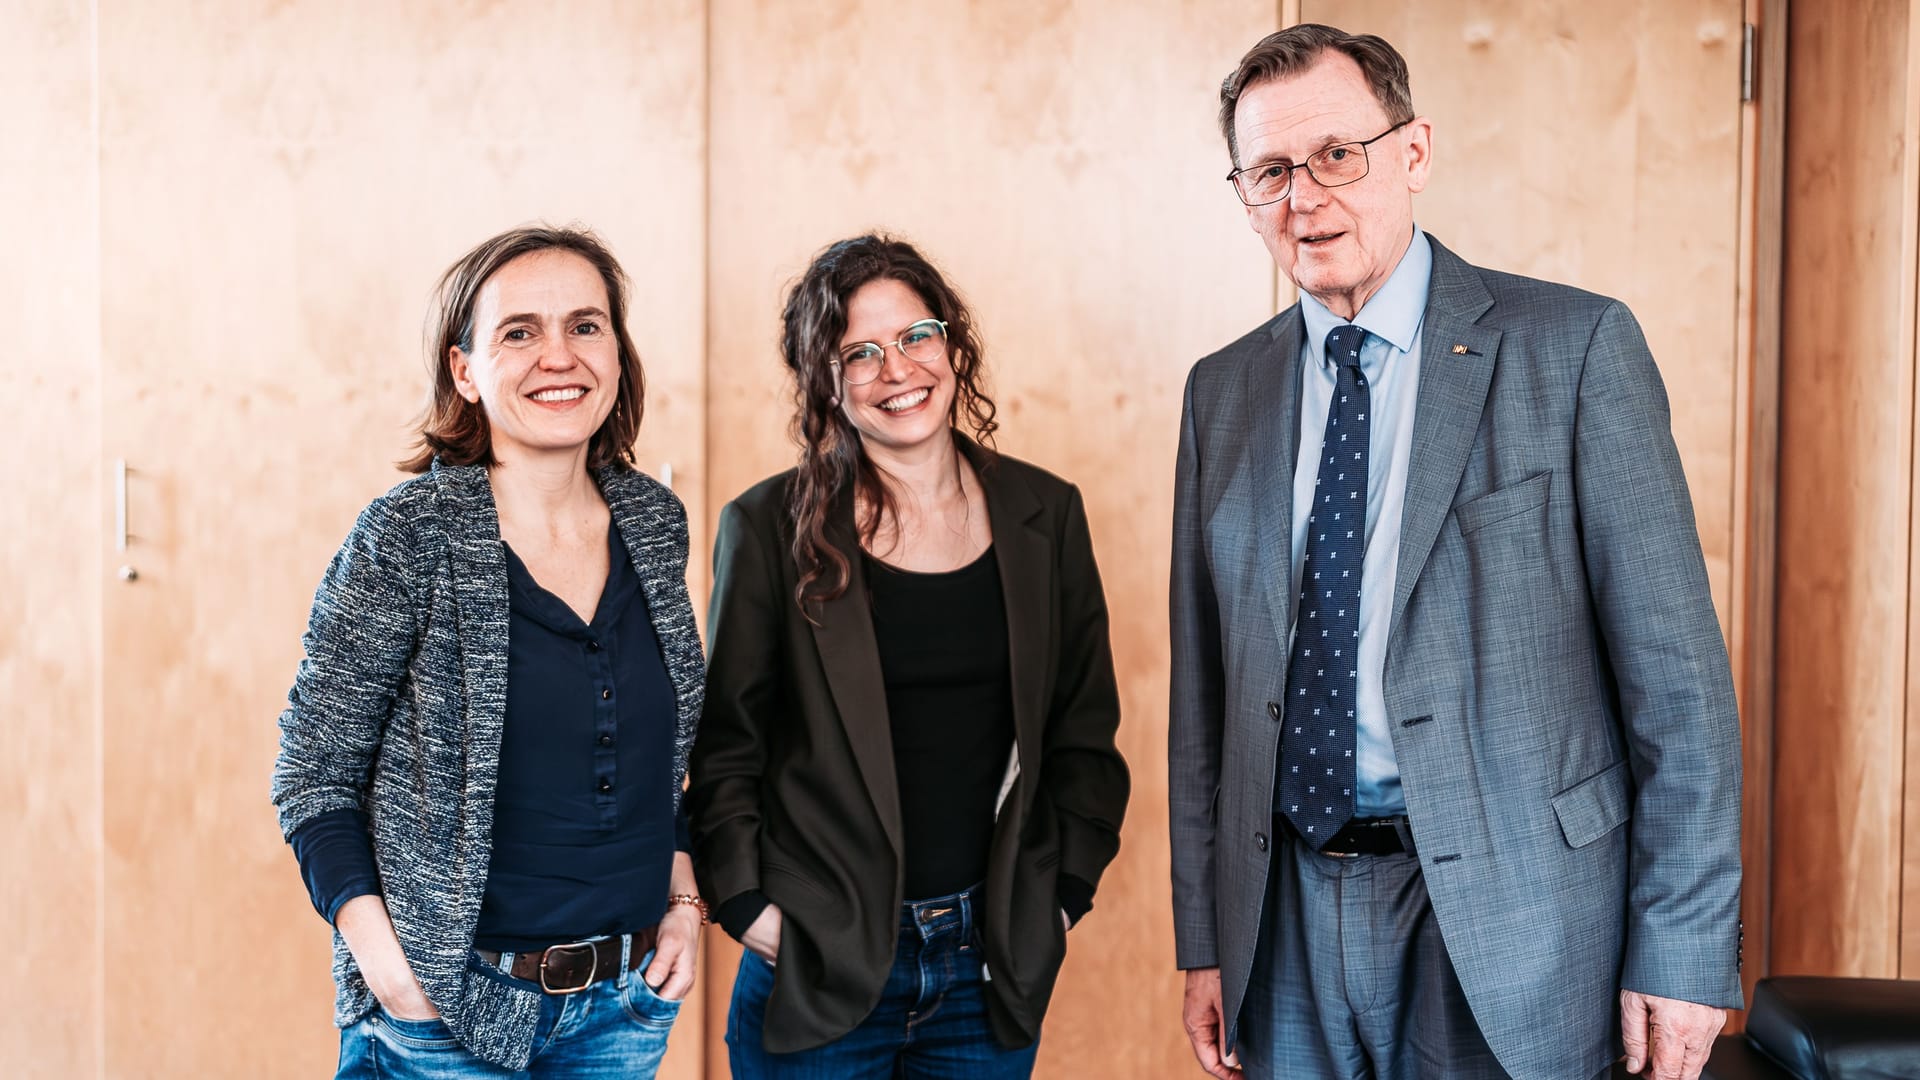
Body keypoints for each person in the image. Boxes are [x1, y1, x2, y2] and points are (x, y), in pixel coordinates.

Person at [1168, 25, 1743, 1080]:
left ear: (1414, 152)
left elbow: (1681, 690)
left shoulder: (1574, 350)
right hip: (1284, 910)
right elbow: (1203, 703)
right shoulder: (1223, 393)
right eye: (1270, 172)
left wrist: (1687, 947)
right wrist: (1204, 935)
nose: (1307, 196)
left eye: (1339, 154)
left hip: (1519, 917)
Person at [688, 234, 1131, 1078]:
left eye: (915, 337)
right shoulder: (769, 530)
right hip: (819, 959)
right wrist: (748, 905)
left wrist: (1063, 894)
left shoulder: (1046, 515)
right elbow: (726, 747)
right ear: (825, 383)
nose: (896, 370)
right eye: (858, 352)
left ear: (953, 346)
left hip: (988, 965)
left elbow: (1084, 731)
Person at [271, 225, 707, 1077]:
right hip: (447, 1012)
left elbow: (664, 762)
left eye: (586, 326)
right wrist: (392, 974)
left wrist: (686, 904)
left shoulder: (655, 524)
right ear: (464, 371)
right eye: (519, 331)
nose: (559, 355)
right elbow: (313, 774)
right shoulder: (407, 536)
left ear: (618, 356)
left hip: (624, 1008)